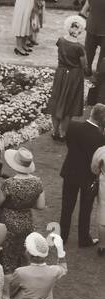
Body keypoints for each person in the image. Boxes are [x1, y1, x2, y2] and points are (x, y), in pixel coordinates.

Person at [62, 103, 105, 247]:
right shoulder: (100, 136)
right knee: (85, 209)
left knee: (66, 206)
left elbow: (69, 144)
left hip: (70, 171)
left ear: (92, 112)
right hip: (89, 175)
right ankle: (83, 239)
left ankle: (63, 235)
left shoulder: (73, 126)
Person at [0, 146, 43, 275]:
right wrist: (26, 202)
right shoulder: (37, 182)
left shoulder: (9, 183)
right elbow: (40, 205)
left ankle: (9, 283)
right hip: (27, 220)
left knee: (8, 254)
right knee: (23, 251)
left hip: (9, 221)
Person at [49, 14, 88, 138]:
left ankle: (54, 131)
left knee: (57, 100)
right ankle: (63, 133)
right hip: (73, 76)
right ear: (80, 30)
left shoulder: (60, 40)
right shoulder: (79, 48)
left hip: (60, 73)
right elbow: (84, 65)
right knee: (69, 104)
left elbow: (60, 51)